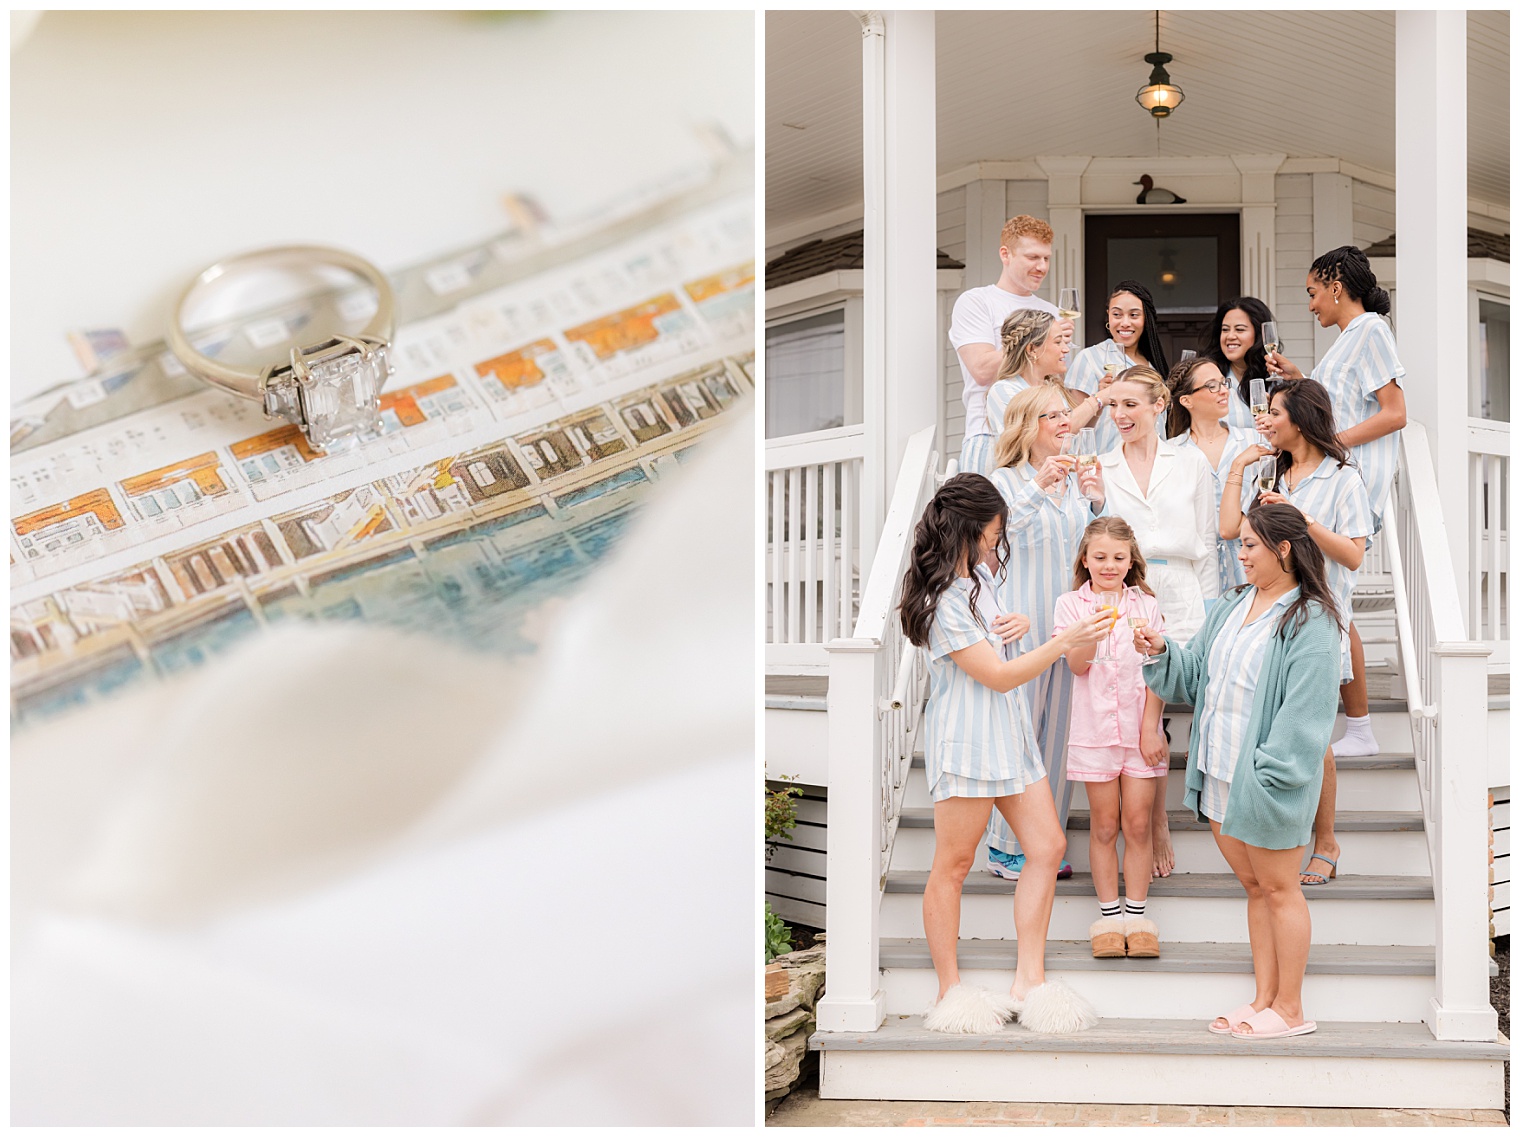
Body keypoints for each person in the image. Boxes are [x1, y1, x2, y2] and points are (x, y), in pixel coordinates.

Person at [899, 473, 1110, 1034]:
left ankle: (1029, 978)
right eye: (992, 532)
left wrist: (1014, 625)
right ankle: (951, 989)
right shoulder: (940, 599)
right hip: (968, 742)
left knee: (1047, 845)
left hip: (1010, 738)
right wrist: (1059, 642)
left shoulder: (980, 582)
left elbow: (995, 649)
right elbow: (994, 676)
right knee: (955, 864)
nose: (998, 542)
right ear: (968, 529)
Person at [1135, 503, 1343, 1040]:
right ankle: (1263, 999)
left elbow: (1308, 714)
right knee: (1255, 889)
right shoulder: (1232, 604)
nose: (1239, 553)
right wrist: (1163, 651)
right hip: (1220, 771)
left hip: (1266, 781)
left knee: (1280, 889)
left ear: (1284, 550)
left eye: (1249, 544)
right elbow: (1195, 675)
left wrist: (1273, 775)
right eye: (1239, 544)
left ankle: (1292, 1010)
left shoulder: (1312, 619)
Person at [1220, 380, 1373, 887]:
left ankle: (1325, 841)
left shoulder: (1344, 478)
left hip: (1316, 620)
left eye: (1275, 413)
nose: (1266, 420)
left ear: (1301, 419)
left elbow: (1353, 554)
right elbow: (1237, 534)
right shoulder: (1271, 472)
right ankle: (1275, 834)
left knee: (1315, 738)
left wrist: (1304, 523)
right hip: (1266, 615)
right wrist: (1246, 474)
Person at [1268, 247, 1407, 796]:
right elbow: (1341, 404)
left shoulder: (1371, 329)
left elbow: (1393, 412)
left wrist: (1328, 444)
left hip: (1348, 488)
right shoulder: (1348, 340)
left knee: (1332, 597)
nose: (1309, 305)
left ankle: (1361, 726)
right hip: (1328, 484)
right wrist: (1301, 379)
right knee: (1325, 597)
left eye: (1311, 292)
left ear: (1335, 282)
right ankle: (1353, 723)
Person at [983, 385, 1109, 883]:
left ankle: (1043, 840)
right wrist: (1037, 485)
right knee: (1019, 738)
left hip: (1071, 624)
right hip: (1022, 625)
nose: (1064, 422)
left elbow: (1090, 548)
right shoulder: (1003, 480)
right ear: (1027, 425)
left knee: (1059, 738)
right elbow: (998, 533)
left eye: (1065, 414)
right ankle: (1003, 847)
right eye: (1052, 415)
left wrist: (1097, 504)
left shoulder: (1076, 480)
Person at [1097, 365, 1218, 878]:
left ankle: (1201, 807)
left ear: (1158, 405)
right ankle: (1157, 820)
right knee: (1146, 704)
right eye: (1114, 406)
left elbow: (1210, 545)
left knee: (1179, 692)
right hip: (1128, 591)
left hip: (1185, 590)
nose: (1121, 415)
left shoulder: (1190, 463)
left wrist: (1212, 617)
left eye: (1130, 405)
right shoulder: (1100, 467)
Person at [1053, 517, 1167, 959]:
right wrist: (1092, 631)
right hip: (1095, 731)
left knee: (1138, 824)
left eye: (1118, 558)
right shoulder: (1070, 605)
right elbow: (1077, 666)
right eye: (1099, 557)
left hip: (1139, 732)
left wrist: (1150, 729)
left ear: (1130, 560)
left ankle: (1137, 920)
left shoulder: (1146, 604)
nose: (1109, 565)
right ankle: (1107, 918)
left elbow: (1158, 671)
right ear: (1085, 559)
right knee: (1103, 825)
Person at [948, 215, 1074, 479]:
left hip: (1042, 440)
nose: (1042, 266)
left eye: (1046, 258)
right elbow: (981, 369)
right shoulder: (976, 302)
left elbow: (1054, 380)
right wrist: (1038, 340)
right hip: (990, 436)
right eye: (1032, 257)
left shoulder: (1051, 312)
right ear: (1005, 254)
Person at [1165, 356, 1259, 593]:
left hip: (1251, 561)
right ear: (1186, 400)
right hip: (1197, 569)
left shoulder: (1253, 441)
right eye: (1212, 386)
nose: (1223, 392)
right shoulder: (1171, 452)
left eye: (1223, 383)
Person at [1066, 281, 1171, 454]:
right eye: (1117, 314)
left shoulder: (1154, 365)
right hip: (1105, 467)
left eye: (1134, 315)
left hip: (1152, 467)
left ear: (1146, 318)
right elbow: (1070, 427)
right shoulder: (1089, 358)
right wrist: (1100, 398)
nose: (1125, 323)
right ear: (1108, 316)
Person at [981, 309, 1099, 453]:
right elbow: (1036, 441)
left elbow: (1074, 439)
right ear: (1032, 349)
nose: (1066, 349)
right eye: (1058, 342)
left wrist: (1101, 403)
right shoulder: (1004, 391)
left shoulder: (1055, 389)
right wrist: (1098, 399)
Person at [1200, 297, 1277, 432]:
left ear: (1259, 334)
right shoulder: (1208, 380)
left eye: (1239, 330)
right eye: (1225, 330)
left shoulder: (1277, 379)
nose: (1230, 336)